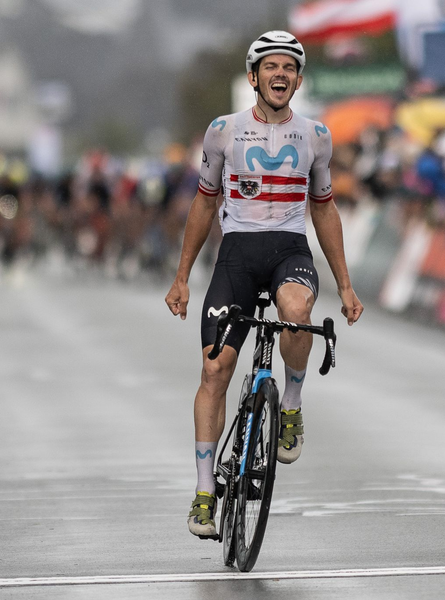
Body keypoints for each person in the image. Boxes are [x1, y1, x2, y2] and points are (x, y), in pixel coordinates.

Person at [164, 31, 363, 538]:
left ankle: (290, 405)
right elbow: (204, 203)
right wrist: (182, 276)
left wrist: (345, 284)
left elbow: (325, 209)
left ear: (298, 80)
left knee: (296, 311)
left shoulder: (317, 135)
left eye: (289, 68)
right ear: (253, 77)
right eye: (271, 66)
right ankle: (205, 494)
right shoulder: (222, 131)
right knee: (215, 370)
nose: (280, 74)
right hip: (236, 256)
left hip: (289, 251)